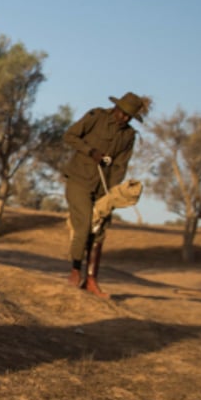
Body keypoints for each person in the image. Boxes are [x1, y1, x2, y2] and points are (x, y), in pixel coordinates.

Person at [62, 90, 149, 298]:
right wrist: (91, 152)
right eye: (123, 113)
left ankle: (91, 280)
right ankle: (75, 271)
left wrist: (111, 193)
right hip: (79, 180)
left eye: (130, 116)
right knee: (83, 226)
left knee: (99, 232)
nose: (125, 118)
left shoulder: (129, 136)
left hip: (103, 188)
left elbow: (120, 165)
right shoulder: (96, 117)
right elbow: (70, 136)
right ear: (116, 108)